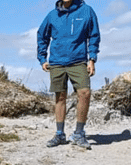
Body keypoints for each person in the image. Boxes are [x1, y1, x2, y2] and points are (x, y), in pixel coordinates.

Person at [37, 0, 101, 149]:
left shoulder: (86, 11)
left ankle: (79, 133)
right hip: (57, 62)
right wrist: (42, 58)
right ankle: (60, 134)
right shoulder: (52, 15)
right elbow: (42, 35)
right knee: (60, 97)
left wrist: (92, 59)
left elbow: (94, 35)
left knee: (84, 93)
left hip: (78, 60)